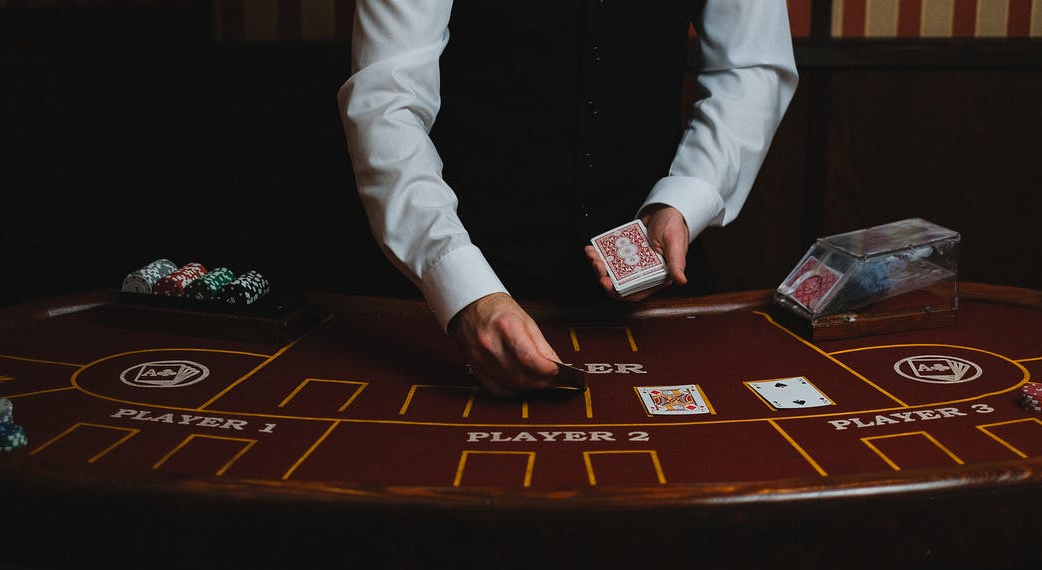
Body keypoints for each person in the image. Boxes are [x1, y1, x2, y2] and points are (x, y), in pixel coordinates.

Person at [339, 1, 797, 397]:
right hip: (449, 293)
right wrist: (460, 284)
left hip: (654, 298)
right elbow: (386, 102)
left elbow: (751, 67)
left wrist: (685, 200)